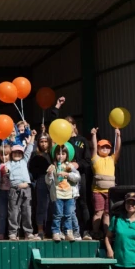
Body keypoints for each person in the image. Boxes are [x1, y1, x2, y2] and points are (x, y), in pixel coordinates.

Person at [47, 99, 92, 240]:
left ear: (74, 126)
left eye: (70, 124)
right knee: (63, 206)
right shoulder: (62, 143)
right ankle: (63, 231)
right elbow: (53, 125)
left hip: (78, 175)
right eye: (65, 125)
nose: (68, 127)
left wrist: (78, 165)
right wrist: (57, 107)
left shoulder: (82, 140)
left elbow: (88, 160)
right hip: (62, 179)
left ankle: (85, 231)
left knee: (83, 202)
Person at [5, 134, 38, 241]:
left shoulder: (24, 161)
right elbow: (6, 171)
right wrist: (6, 171)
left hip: (26, 189)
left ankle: (28, 233)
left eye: (20, 152)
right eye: (15, 152)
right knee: (14, 212)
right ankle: (13, 233)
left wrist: (32, 136)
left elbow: (29, 148)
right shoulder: (9, 163)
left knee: (27, 211)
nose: (17, 154)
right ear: (11, 154)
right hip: (14, 190)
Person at [46, 144, 81, 241]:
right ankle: (56, 232)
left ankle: (68, 232)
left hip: (69, 194)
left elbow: (77, 178)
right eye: (58, 154)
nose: (60, 156)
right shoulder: (53, 166)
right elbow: (48, 182)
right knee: (57, 214)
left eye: (63, 153)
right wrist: (49, 174)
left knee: (68, 215)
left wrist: (68, 174)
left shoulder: (69, 166)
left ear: (67, 155)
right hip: (58, 194)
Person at [92, 127, 122, 235]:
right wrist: (94, 135)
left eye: (107, 147)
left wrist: (118, 136)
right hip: (98, 190)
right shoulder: (95, 158)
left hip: (110, 190)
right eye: (102, 147)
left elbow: (118, 149)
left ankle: (107, 234)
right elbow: (94, 147)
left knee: (107, 213)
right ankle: (95, 232)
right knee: (98, 212)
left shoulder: (112, 159)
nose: (105, 149)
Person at [29, 133, 52, 239]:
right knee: (41, 205)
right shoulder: (35, 154)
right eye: (41, 141)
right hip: (41, 180)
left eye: (46, 141)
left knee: (52, 205)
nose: (43, 144)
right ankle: (40, 230)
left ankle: (51, 229)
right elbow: (32, 169)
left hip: (53, 180)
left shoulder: (53, 153)